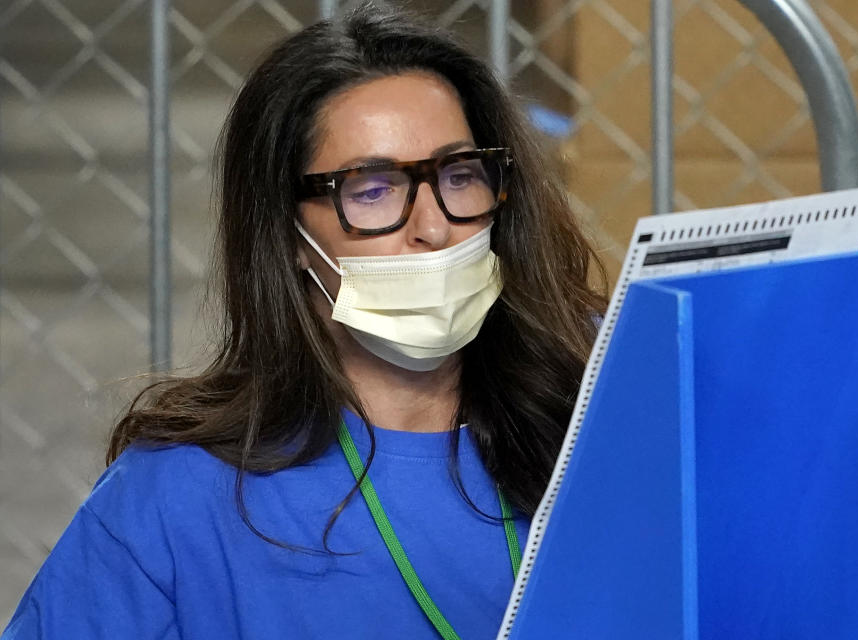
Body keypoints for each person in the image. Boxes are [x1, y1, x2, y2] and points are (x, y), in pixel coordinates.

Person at [2, 4, 607, 639]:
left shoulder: (607, 413)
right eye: (372, 190)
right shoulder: (177, 498)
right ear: (286, 231)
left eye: (459, 176)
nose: (434, 226)